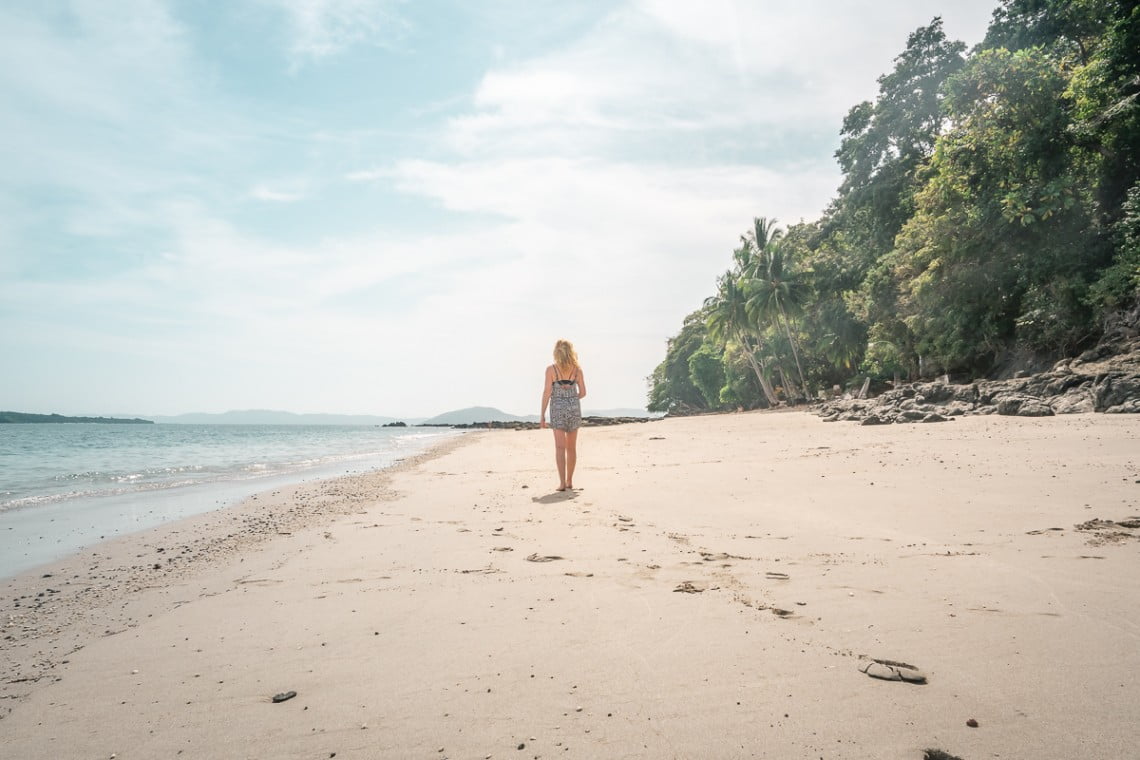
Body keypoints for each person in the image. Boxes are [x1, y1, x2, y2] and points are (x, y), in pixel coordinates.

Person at [540, 339, 587, 491]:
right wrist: (571, 398)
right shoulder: (577, 370)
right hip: (574, 409)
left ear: (556, 352)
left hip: (557, 410)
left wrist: (542, 415)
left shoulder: (551, 370)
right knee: (571, 448)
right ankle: (569, 481)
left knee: (560, 447)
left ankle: (561, 483)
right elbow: (583, 393)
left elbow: (547, 392)